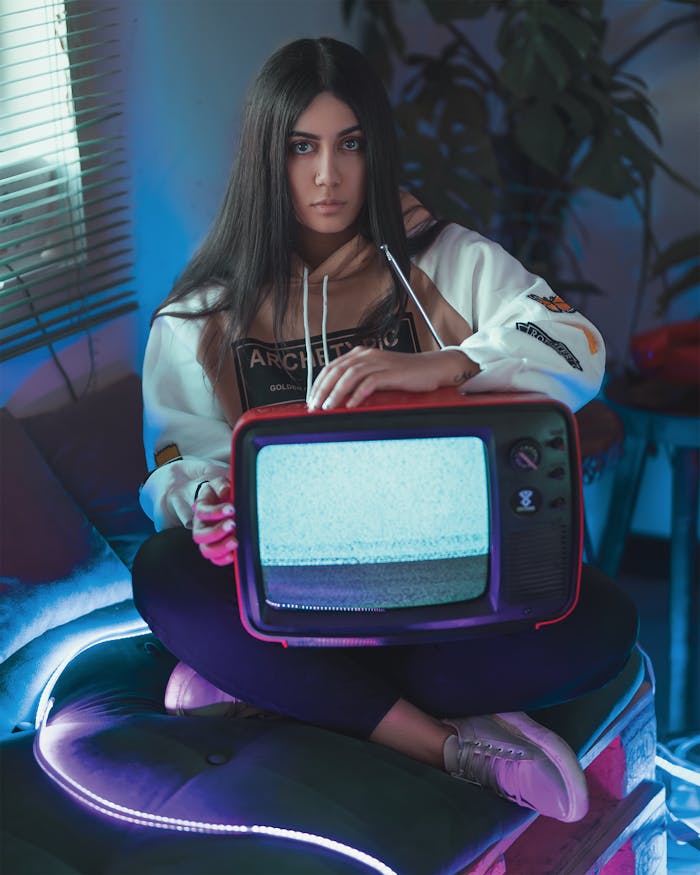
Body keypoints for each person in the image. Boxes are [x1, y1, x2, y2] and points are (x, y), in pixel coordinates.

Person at [132, 36, 638, 825]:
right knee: (164, 571)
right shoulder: (202, 310)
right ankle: (447, 744)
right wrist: (201, 501)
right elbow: (176, 453)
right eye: (302, 148)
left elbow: (579, 347)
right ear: (269, 157)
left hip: (438, 601)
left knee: (603, 623)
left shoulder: (448, 257)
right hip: (298, 600)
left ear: (378, 150)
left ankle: (265, 686)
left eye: (351, 145)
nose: (327, 176)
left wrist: (449, 365)